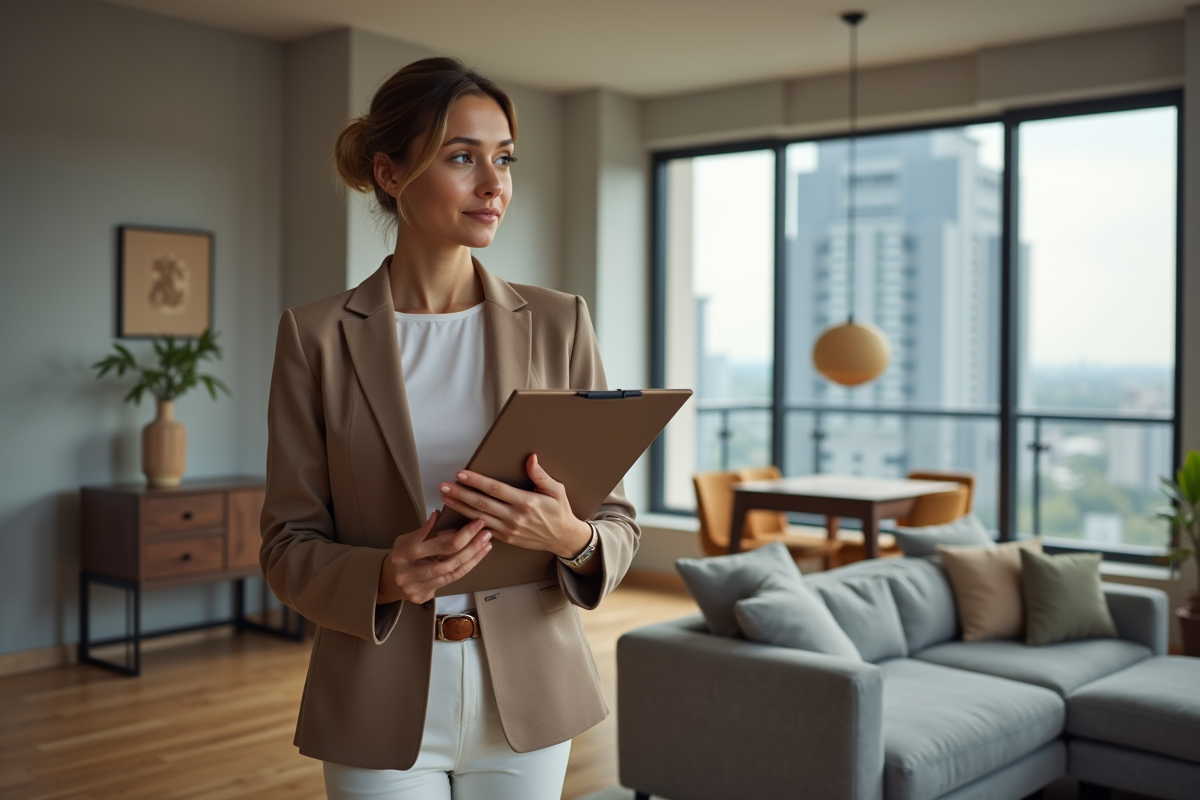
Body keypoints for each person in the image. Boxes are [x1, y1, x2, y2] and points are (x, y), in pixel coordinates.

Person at [259, 56, 640, 800]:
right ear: (389, 173)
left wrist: (570, 537)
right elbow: (285, 546)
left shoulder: (561, 323)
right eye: (461, 157)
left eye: (503, 159)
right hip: (378, 697)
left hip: (528, 697)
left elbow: (618, 521)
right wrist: (383, 575)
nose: (494, 184)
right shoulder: (314, 337)